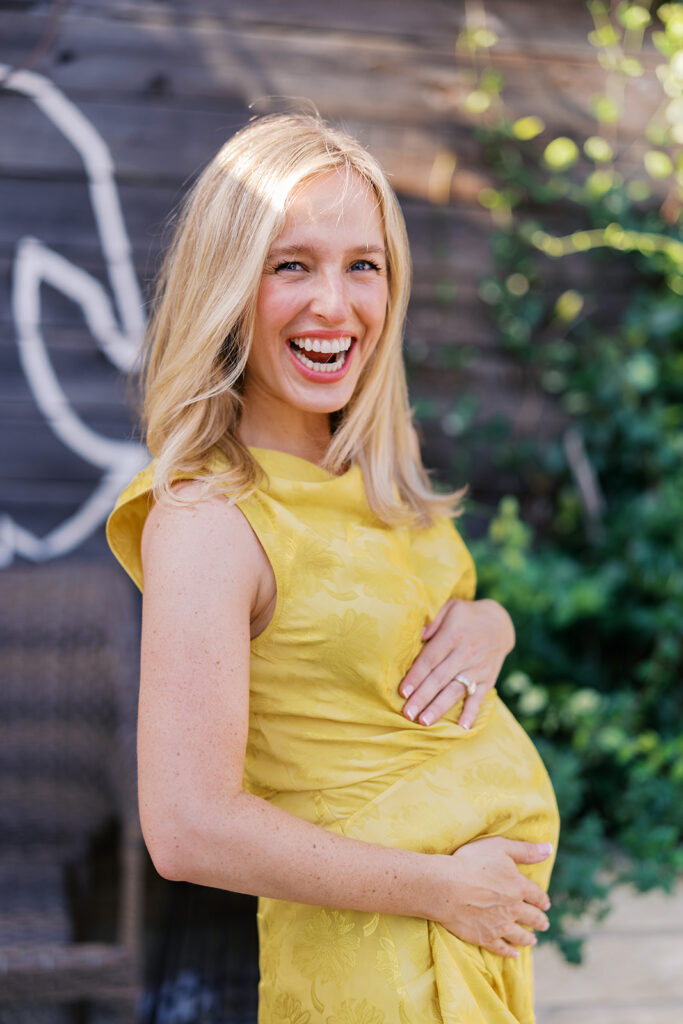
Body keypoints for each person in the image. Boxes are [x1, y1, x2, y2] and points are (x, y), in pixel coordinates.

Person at [107, 113, 559, 1024]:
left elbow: (387, 656)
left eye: (363, 265)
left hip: (469, 962)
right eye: (291, 265)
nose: (334, 303)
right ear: (227, 284)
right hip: (375, 976)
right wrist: (442, 889)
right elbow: (189, 827)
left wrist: (491, 624)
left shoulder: (373, 475)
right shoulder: (208, 516)